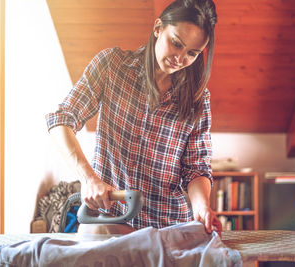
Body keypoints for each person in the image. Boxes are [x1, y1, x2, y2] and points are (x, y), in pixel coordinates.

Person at [46, 0, 221, 236]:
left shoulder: (199, 99)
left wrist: (201, 206)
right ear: (158, 28)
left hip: (167, 227)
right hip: (110, 218)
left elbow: (196, 169)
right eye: (176, 43)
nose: (180, 58)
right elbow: (61, 120)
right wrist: (88, 178)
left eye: (192, 53)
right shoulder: (112, 66)